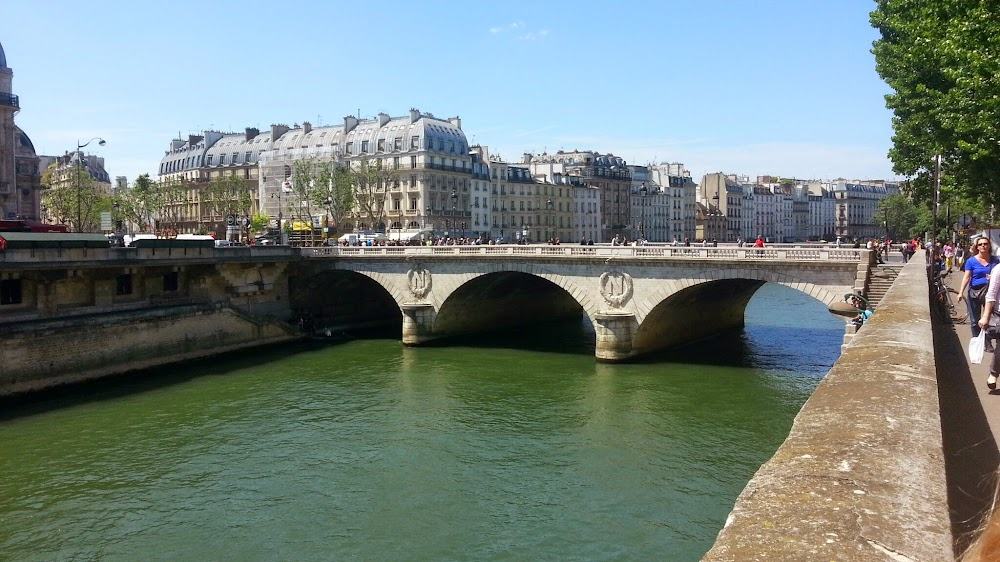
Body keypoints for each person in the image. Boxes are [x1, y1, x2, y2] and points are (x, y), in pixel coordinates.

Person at [959, 236, 999, 344]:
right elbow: (967, 277)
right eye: (980, 244)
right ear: (977, 246)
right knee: (974, 321)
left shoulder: (996, 260)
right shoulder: (971, 261)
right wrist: (960, 292)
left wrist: (993, 277)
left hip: (990, 293)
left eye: (985, 244)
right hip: (974, 293)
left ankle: (987, 341)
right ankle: (977, 342)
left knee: (989, 319)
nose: (983, 246)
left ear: (989, 246)